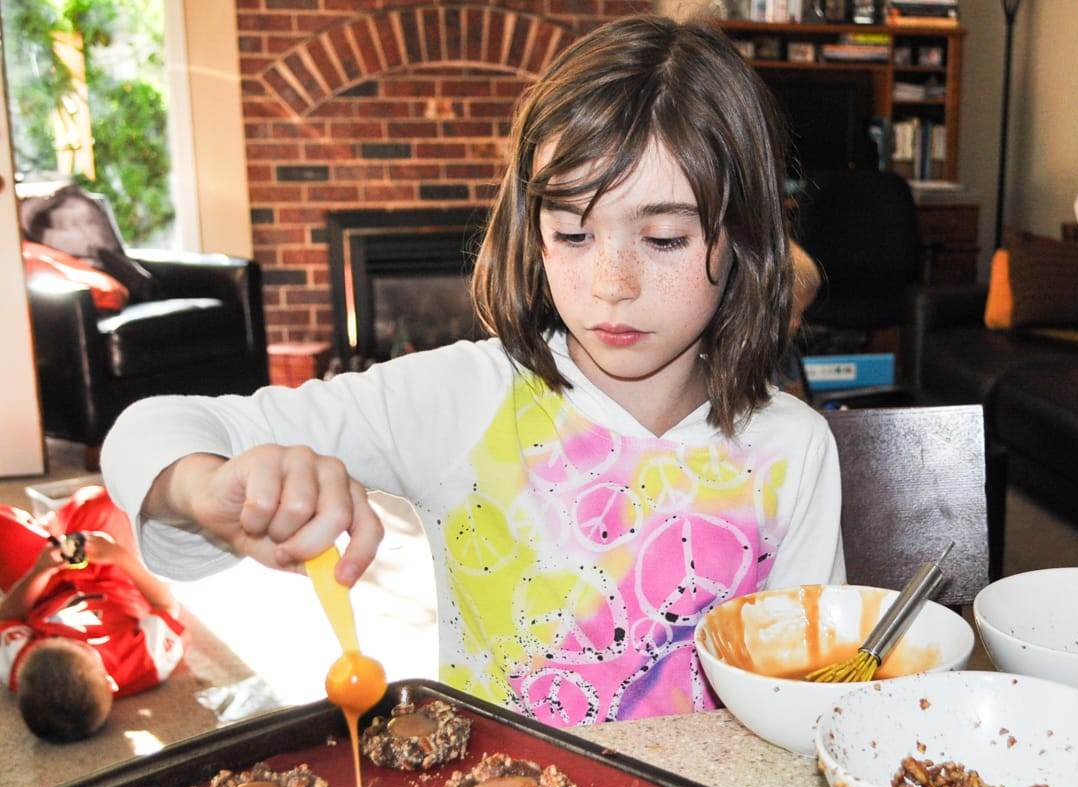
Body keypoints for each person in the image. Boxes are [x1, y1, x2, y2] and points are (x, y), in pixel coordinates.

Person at [101, 15, 844, 729]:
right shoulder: (463, 400)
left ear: (744, 237)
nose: (612, 281)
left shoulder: (793, 448)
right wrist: (204, 486)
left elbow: (809, 701)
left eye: (664, 237)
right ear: (534, 232)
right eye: (574, 232)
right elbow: (149, 429)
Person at [0, 486, 186, 742]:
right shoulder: (147, 662)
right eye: (79, 646)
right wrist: (121, 557)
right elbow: (166, 604)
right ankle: (56, 527)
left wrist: (39, 571)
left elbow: (7, 616)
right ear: (110, 681)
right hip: (111, 577)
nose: (77, 639)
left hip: (45, 589)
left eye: (59, 641)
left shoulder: (23, 671)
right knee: (102, 501)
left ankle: (50, 529)